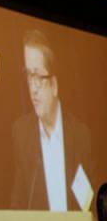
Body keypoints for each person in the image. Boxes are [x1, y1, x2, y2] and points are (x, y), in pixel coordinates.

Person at [10, 29, 93, 211]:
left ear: (55, 84)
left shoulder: (80, 136)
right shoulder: (21, 134)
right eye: (29, 76)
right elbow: (18, 203)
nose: (33, 88)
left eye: (38, 76)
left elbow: (89, 204)